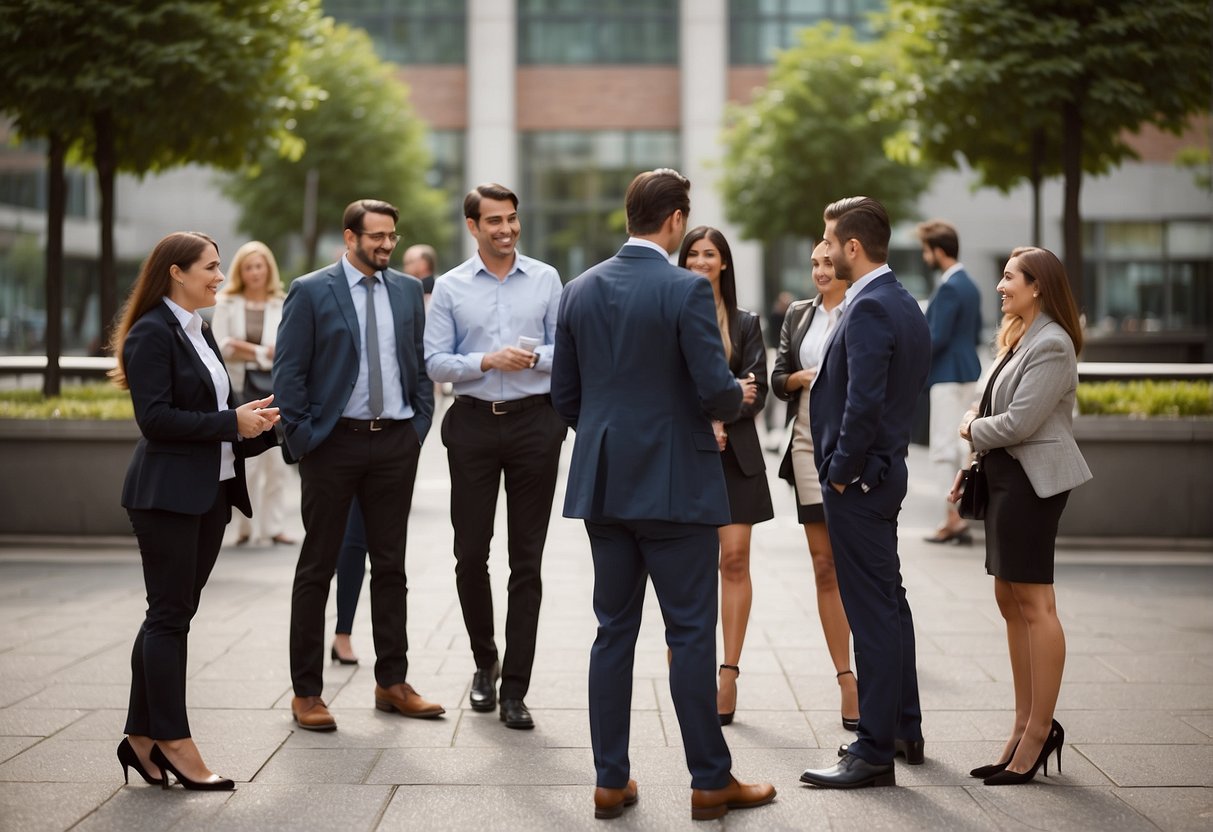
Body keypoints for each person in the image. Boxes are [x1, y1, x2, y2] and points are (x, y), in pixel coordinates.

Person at [551, 168, 775, 821]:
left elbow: (565, 397)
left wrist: (608, 439)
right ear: (675, 220)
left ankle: (609, 779)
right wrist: (739, 394)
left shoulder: (576, 291)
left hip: (605, 483)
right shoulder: (685, 291)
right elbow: (713, 390)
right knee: (689, 632)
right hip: (678, 485)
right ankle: (709, 781)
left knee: (612, 631)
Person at [109, 232, 280, 790]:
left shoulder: (198, 329)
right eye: (210, 267)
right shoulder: (151, 333)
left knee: (170, 612)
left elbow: (212, 411)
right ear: (176, 273)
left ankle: (140, 739)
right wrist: (231, 423)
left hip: (208, 494)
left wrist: (250, 420)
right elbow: (155, 420)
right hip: (166, 497)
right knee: (169, 616)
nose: (218, 274)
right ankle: (174, 742)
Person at [273, 199, 440, 733]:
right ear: (350, 238)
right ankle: (306, 693)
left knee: (391, 566)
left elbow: (416, 363)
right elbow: (290, 373)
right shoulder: (311, 290)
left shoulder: (409, 291)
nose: (387, 245)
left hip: (394, 442)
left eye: (392, 236)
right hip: (333, 446)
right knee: (318, 565)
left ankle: (393, 681)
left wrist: (416, 427)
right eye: (376, 237)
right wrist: (304, 440)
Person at [799, 196, 930, 790]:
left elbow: (865, 401)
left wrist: (841, 470)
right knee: (889, 601)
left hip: (862, 482)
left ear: (853, 247)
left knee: (872, 611)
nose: (824, 251)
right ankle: (902, 726)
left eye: (829, 241)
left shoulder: (873, 306)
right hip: (882, 475)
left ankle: (873, 749)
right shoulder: (898, 299)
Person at [424, 183, 567, 730]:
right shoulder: (452, 287)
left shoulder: (546, 278)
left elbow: (565, 349)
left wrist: (530, 356)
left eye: (512, 219)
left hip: (535, 425)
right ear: (472, 226)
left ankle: (515, 689)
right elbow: (436, 361)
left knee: (526, 561)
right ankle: (485, 663)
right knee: (470, 555)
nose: (505, 230)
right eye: (493, 222)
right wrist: (486, 360)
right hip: (474, 429)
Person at [951, 246, 1091, 785]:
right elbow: (996, 412)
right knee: (1008, 598)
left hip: (1034, 483)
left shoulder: (1052, 344)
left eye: (1009, 278)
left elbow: (1018, 423)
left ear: (1038, 286)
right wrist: (971, 459)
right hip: (1006, 479)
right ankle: (1021, 727)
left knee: (1034, 602)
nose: (1001, 286)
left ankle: (1037, 734)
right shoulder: (1018, 337)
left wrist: (968, 428)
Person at [677, 226, 773, 725]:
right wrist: (707, 416)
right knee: (689, 566)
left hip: (734, 455)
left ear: (724, 262)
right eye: (691, 253)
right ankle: (685, 663)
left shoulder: (745, 322)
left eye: (709, 254)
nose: (699, 261)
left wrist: (722, 417)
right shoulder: (670, 312)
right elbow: (667, 382)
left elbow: (755, 390)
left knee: (733, 561)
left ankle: (728, 672)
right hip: (687, 452)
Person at [770, 240, 859, 734]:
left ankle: (875, 671)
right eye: (814, 264)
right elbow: (779, 375)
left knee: (856, 567)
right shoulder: (800, 314)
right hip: (806, 445)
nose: (821, 272)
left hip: (849, 445)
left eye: (828, 263)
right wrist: (799, 377)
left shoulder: (858, 308)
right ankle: (846, 678)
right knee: (824, 565)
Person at [210, 241, 294, 547]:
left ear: (268, 269)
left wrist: (245, 348)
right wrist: (261, 351)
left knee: (275, 461)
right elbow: (222, 347)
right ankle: (246, 528)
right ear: (241, 271)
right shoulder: (228, 302)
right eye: (249, 267)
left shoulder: (282, 303)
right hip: (241, 390)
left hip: (275, 389)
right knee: (248, 461)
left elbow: (284, 352)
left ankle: (273, 527)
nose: (255, 272)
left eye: (260, 266)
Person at [917, 220, 983, 544]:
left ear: (939, 251)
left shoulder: (948, 287)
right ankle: (959, 515)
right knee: (961, 446)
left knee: (945, 446)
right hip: (968, 369)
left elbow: (935, 337)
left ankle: (952, 518)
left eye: (927, 250)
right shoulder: (969, 284)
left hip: (946, 374)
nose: (925, 256)